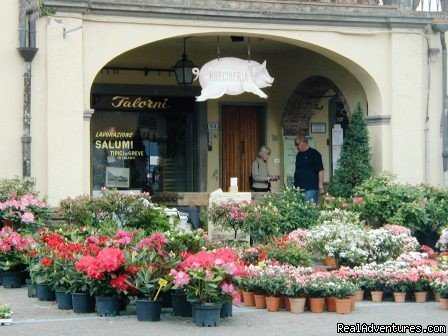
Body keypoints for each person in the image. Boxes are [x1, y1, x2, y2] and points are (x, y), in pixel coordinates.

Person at [293, 135, 324, 204]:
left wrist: (321, 186)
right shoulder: (298, 155)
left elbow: (320, 170)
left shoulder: (315, 154)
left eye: (297, 144)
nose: (296, 147)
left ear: (303, 143)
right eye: (295, 145)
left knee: (309, 211)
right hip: (298, 189)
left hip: (310, 189)